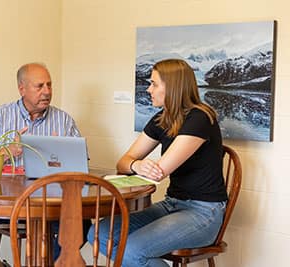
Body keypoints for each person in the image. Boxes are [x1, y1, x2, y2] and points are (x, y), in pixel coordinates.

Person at [87, 59, 228, 267]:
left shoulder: (200, 118)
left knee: (132, 251)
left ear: (172, 87)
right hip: (172, 204)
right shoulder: (163, 118)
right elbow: (123, 163)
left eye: (153, 84)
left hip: (203, 212)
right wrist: (136, 165)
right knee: (99, 233)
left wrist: (142, 166)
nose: (148, 89)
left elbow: (159, 171)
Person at [0, 63, 90, 267]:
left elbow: (81, 166)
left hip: (52, 206)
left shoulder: (64, 120)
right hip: (5, 207)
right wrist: (9, 151)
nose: (47, 91)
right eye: (40, 86)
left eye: (49, 85)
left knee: (82, 223)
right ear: (22, 88)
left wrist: (58, 157)